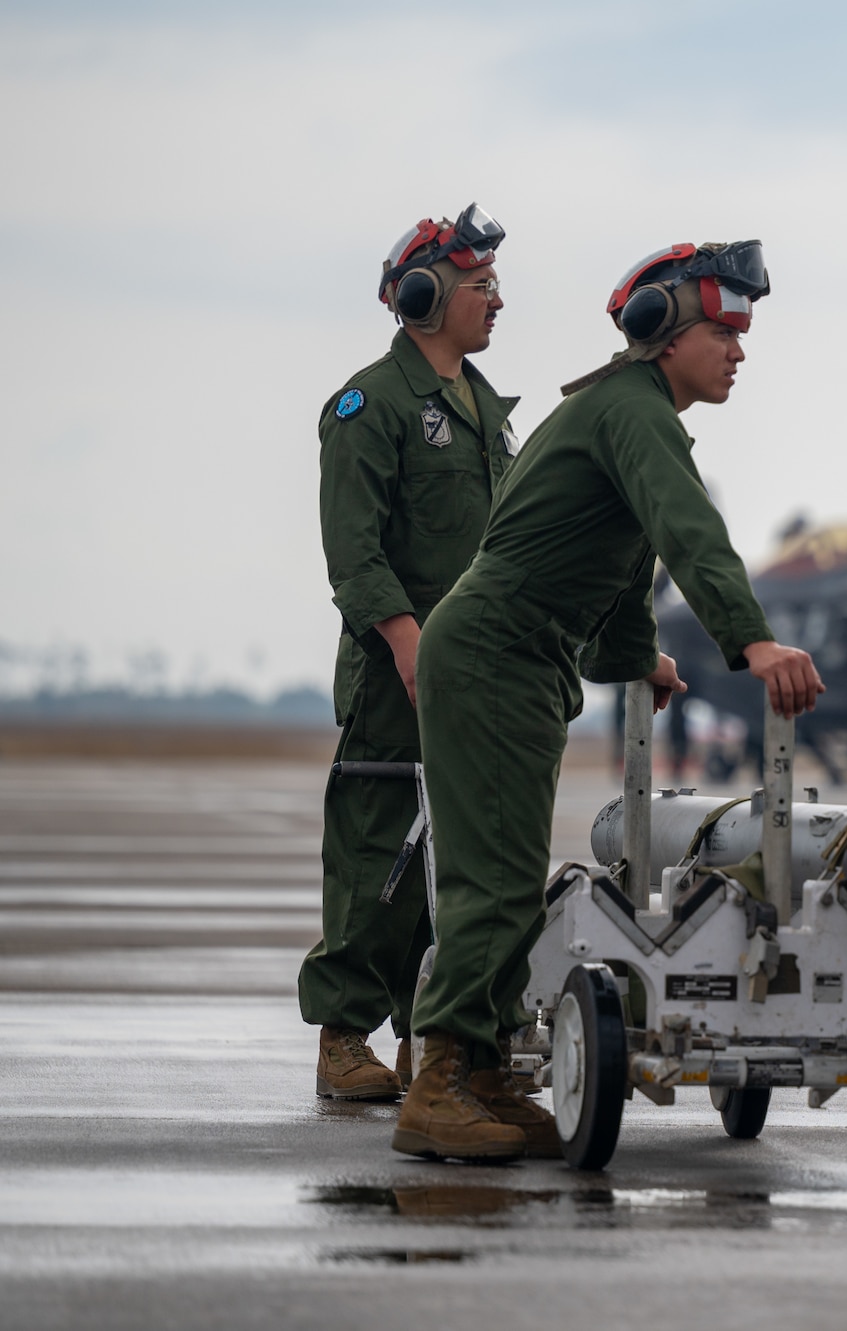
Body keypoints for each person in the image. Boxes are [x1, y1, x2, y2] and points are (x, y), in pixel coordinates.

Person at [393, 239, 823, 1162]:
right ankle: (439, 1085)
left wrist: (641, 657)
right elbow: (686, 526)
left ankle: (482, 1072)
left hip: (514, 654)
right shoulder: (636, 415)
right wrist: (751, 642)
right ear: (663, 333)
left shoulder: (620, 410)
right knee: (497, 881)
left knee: (506, 873)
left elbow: (628, 566)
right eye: (723, 330)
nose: (740, 350)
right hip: (495, 652)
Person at [300, 204, 518, 1102]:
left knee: (468, 860)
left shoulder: (489, 415)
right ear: (424, 297)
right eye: (481, 286)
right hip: (400, 672)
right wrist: (404, 640)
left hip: (478, 672)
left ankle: (435, 1037)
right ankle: (344, 1035)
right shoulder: (370, 405)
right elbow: (354, 551)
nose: (499, 301)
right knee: (377, 852)